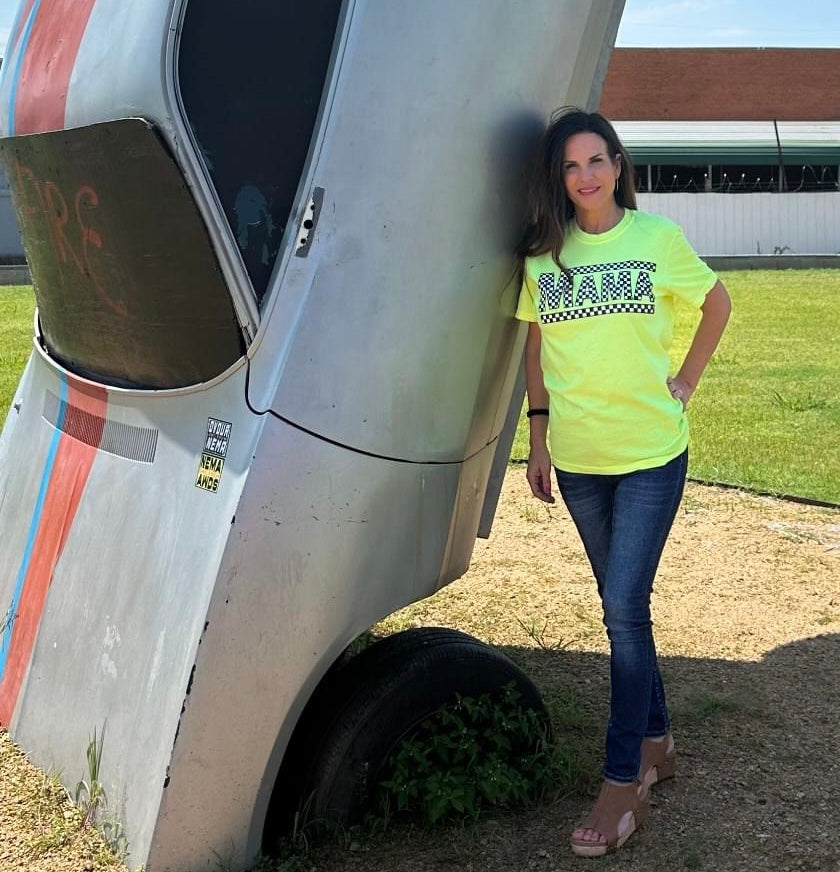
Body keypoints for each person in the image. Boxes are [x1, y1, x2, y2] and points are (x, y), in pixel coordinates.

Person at [515, 107, 731, 856]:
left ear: (618, 164)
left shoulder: (656, 240)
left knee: (621, 608)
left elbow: (718, 301)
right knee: (624, 610)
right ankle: (660, 744)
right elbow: (535, 350)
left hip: (649, 455)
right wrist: (537, 437)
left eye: (597, 161)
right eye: (571, 166)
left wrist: (688, 381)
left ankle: (619, 785)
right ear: (558, 176)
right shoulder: (544, 256)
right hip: (577, 462)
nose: (586, 177)